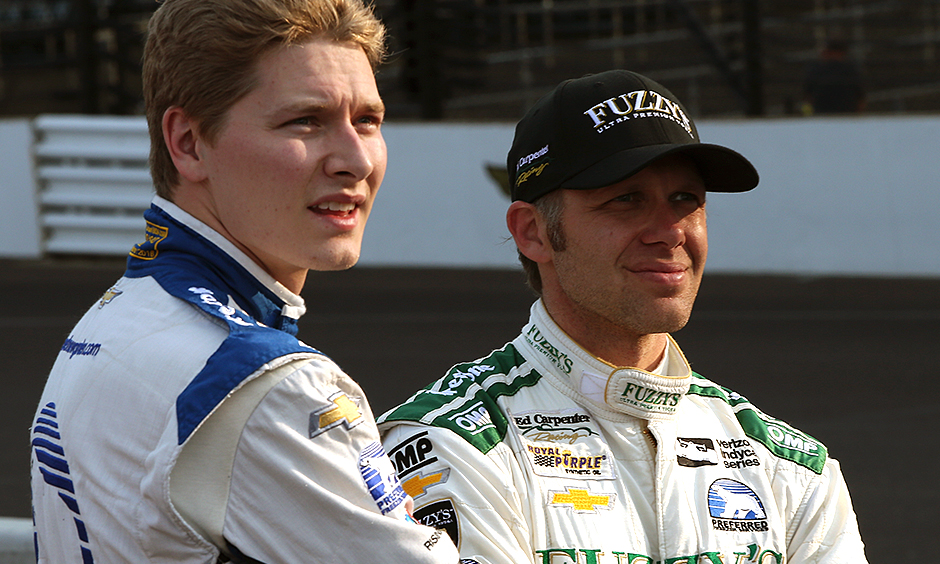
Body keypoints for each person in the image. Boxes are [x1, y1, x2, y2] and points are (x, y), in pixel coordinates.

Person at [28, 0, 459, 562]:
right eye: (306, 121)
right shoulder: (266, 386)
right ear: (188, 143)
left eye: (367, 121)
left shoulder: (117, 314)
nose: (356, 160)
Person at [379, 70, 869, 563]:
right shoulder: (450, 446)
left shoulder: (793, 469)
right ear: (533, 232)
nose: (670, 232)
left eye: (686, 199)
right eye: (626, 199)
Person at [803, 38, 866, 115]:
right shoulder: (851, 70)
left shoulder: (817, 71)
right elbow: (860, 99)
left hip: (825, 115)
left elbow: (808, 97)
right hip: (844, 115)